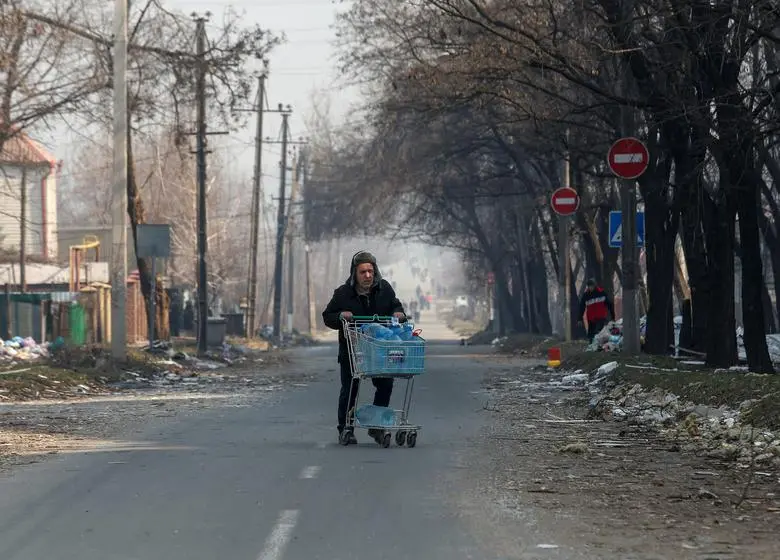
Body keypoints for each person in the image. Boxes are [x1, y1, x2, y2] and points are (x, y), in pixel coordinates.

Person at [322, 251, 406, 444]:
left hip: (379, 351)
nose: (367, 276)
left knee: (385, 385)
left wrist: (399, 313)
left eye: (370, 271)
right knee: (350, 388)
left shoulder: (384, 289)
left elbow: (396, 306)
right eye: (363, 272)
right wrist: (341, 316)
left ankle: (376, 426)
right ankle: (346, 428)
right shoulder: (343, 293)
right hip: (353, 351)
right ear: (355, 273)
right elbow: (328, 316)